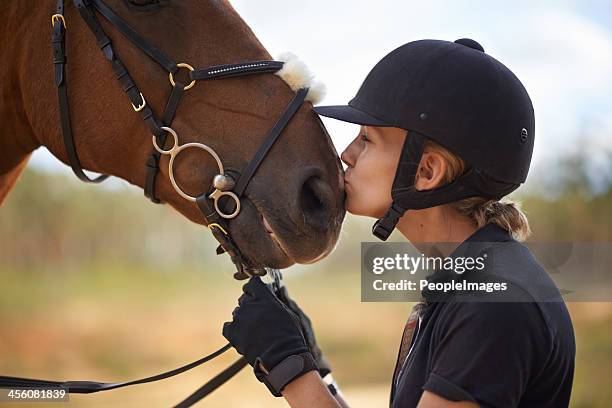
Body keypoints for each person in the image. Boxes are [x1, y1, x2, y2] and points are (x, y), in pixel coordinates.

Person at [222, 38, 576, 407]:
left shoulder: (494, 305)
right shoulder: (472, 284)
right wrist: (315, 367)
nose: (347, 154)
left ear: (426, 172)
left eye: (367, 139)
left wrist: (291, 370)